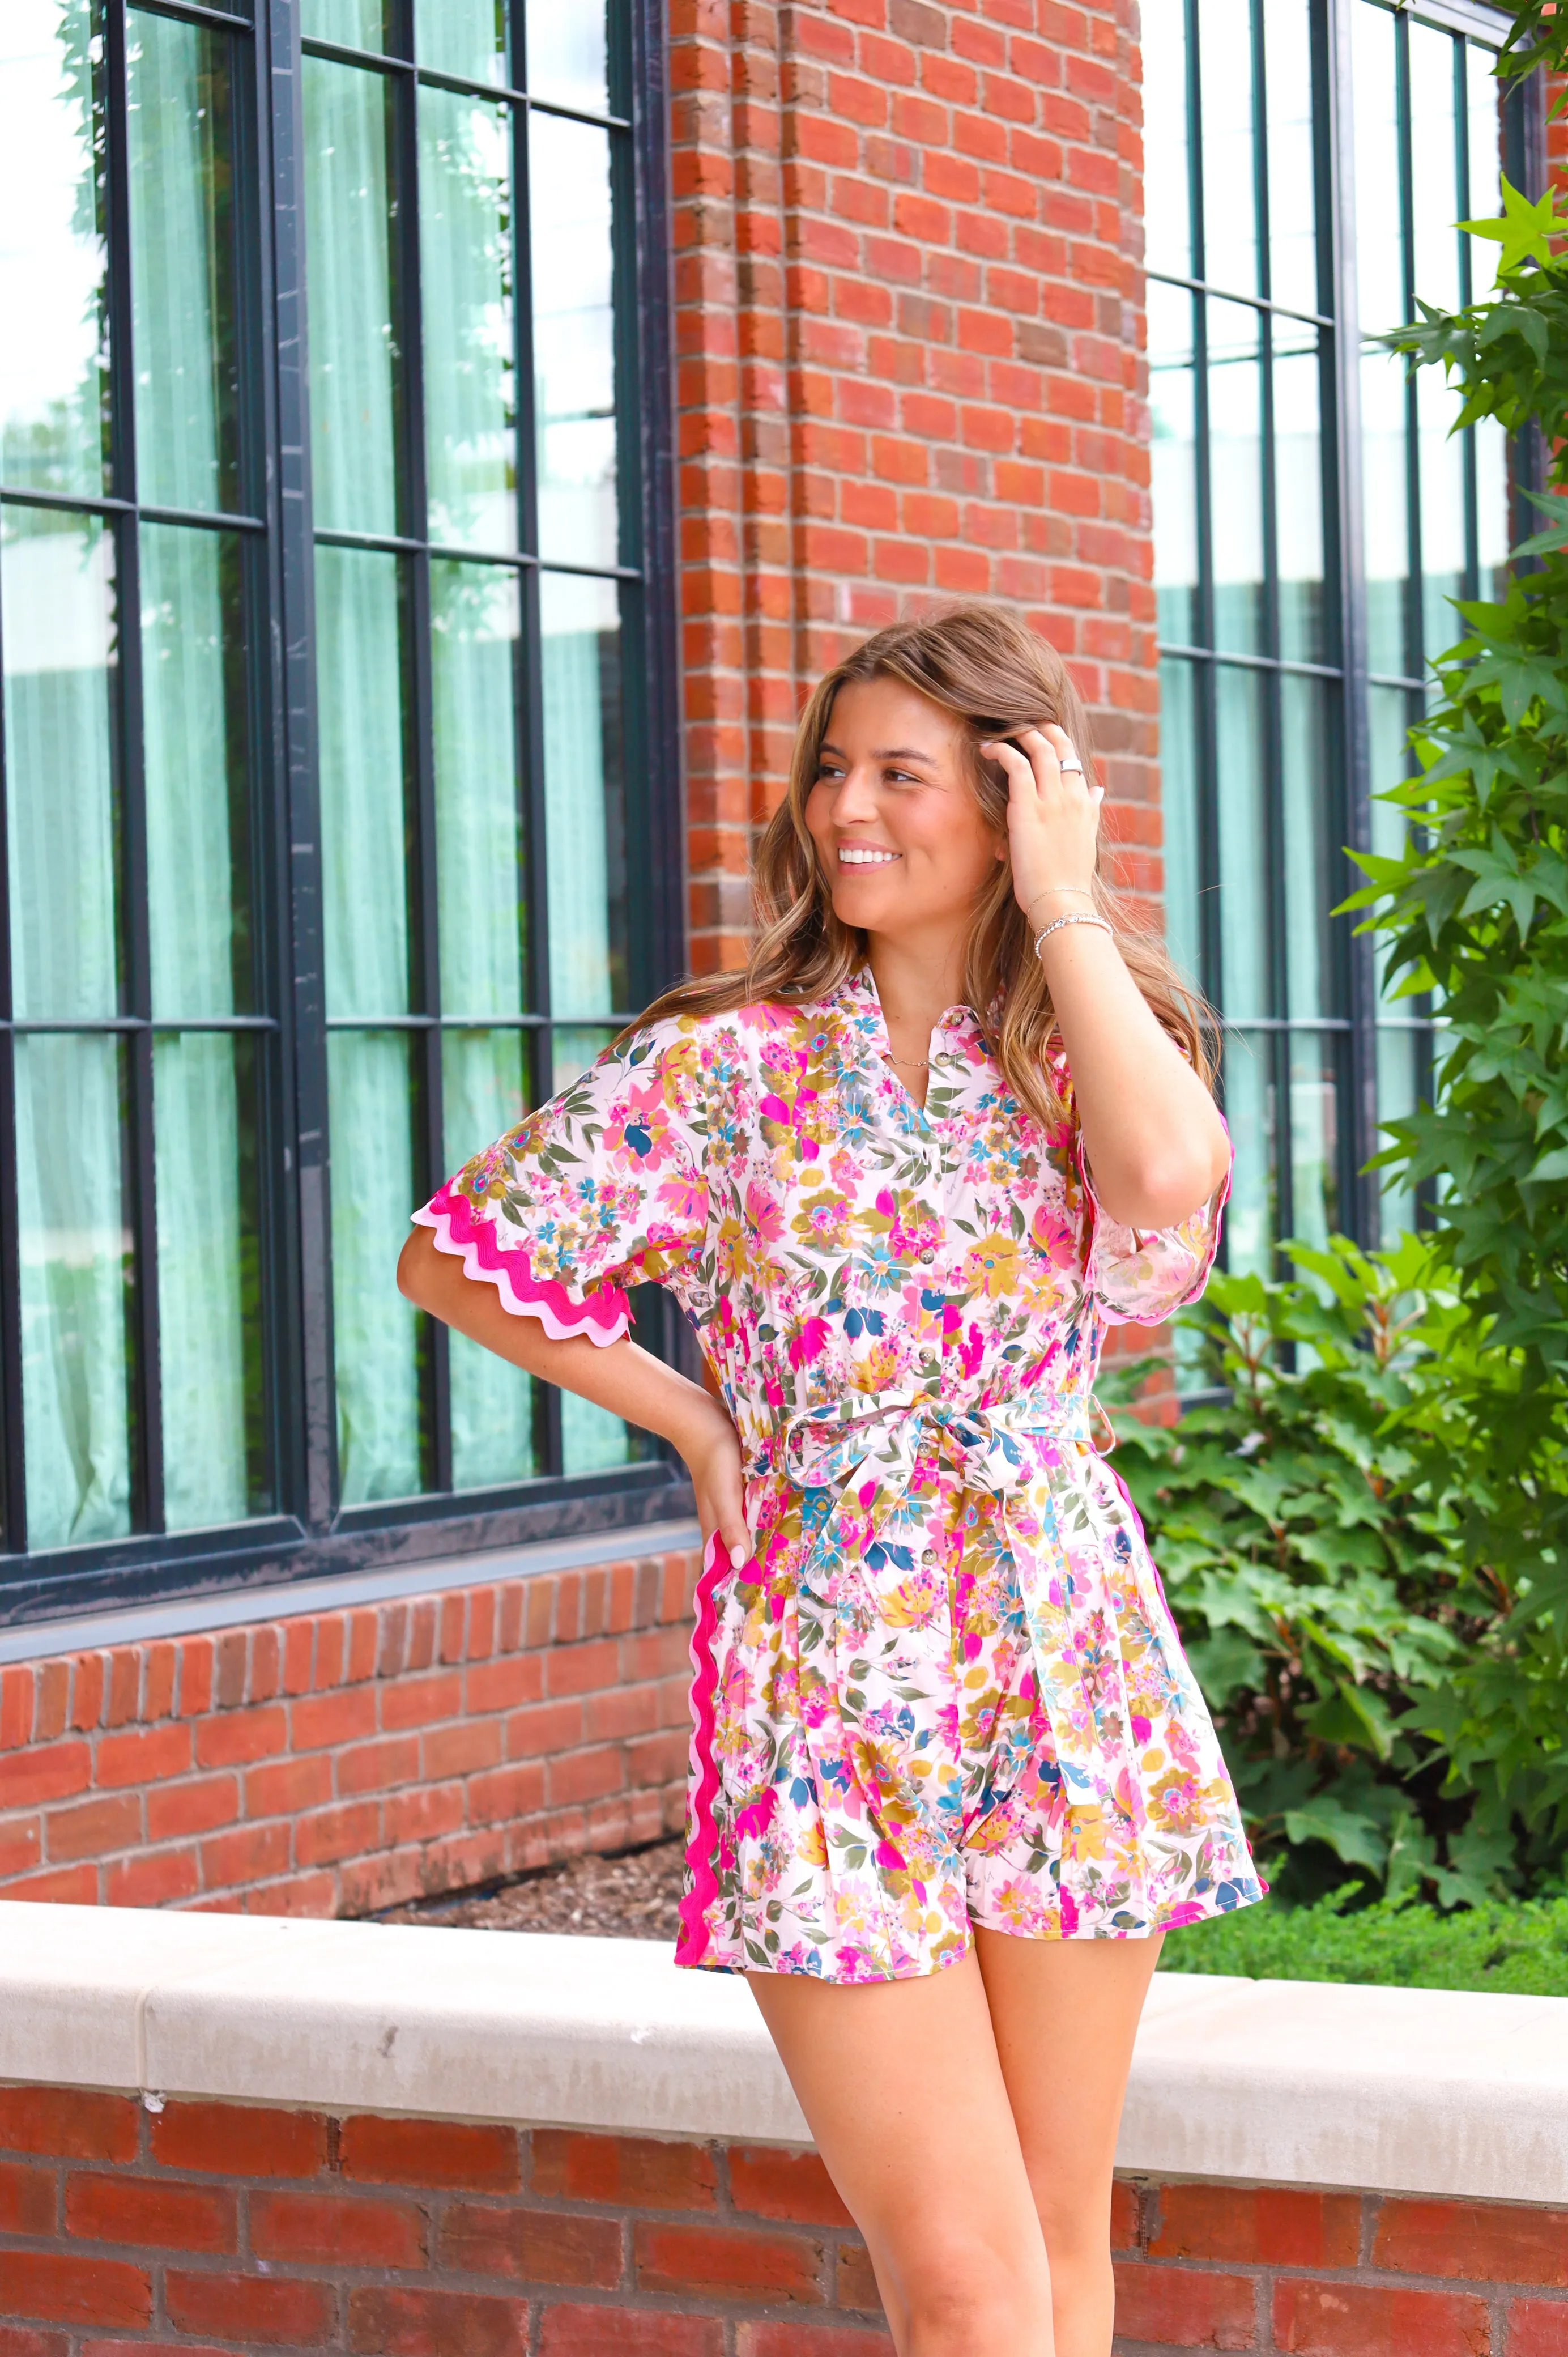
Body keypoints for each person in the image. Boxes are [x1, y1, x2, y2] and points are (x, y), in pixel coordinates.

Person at [397, 601, 1264, 2357]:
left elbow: (1171, 1180)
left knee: (1056, 2243)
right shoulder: (728, 1072)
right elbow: (459, 1252)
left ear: (1018, 798)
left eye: (902, 773)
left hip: (1062, 1655)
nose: (845, 808)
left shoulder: (1074, 1051)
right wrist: (695, 1418)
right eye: (830, 769)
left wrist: (1066, 902)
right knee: (961, 2277)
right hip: (827, 1679)